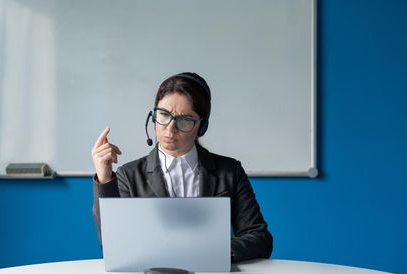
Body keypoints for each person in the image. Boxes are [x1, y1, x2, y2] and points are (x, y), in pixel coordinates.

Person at [91, 72, 272, 262]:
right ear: (153, 117)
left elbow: (260, 238)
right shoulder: (129, 175)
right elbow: (113, 243)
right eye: (163, 115)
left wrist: (215, 251)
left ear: (201, 127)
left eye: (184, 119)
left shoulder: (229, 171)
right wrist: (104, 179)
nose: (170, 128)